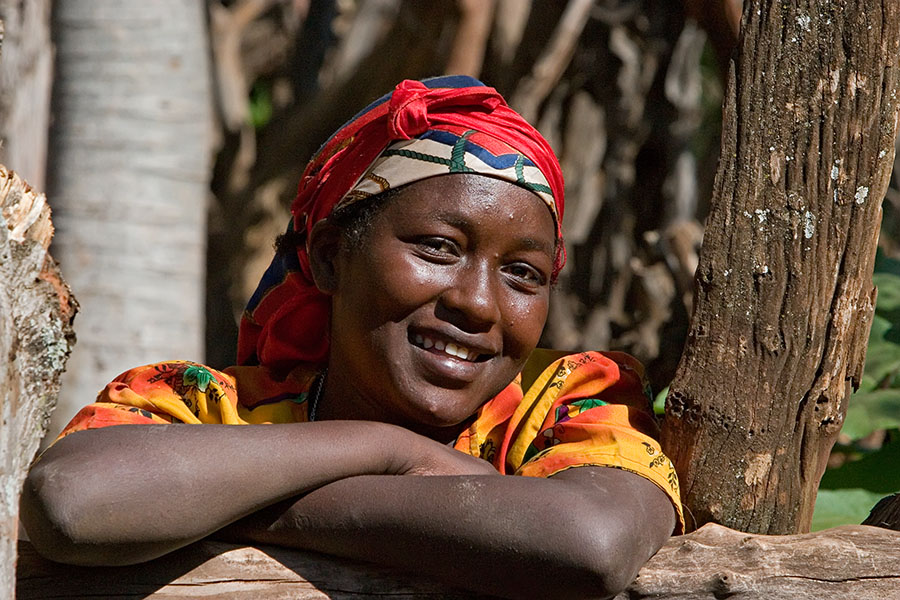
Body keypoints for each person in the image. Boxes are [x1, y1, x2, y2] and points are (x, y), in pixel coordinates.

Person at [21, 76, 683, 599]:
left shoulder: (570, 401)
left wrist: (215, 503)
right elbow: (72, 502)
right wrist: (391, 450)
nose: (478, 303)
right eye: (438, 248)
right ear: (334, 256)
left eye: (522, 274)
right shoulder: (205, 405)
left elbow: (592, 544)